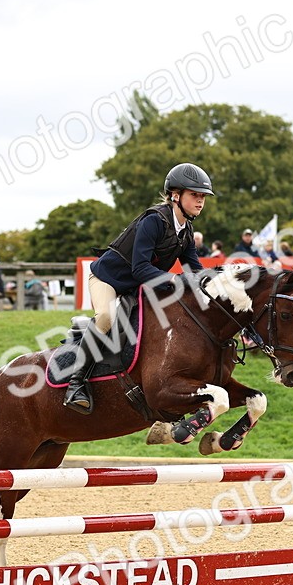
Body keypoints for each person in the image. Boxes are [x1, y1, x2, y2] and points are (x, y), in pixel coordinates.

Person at [66, 162, 212, 414]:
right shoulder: (154, 221)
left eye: (203, 197)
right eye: (194, 195)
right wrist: (175, 280)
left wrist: (216, 281)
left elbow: (194, 270)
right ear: (175, 196)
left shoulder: (186, 230)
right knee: (106, 317)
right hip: (107, 280)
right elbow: (141, 269)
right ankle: (75, 383)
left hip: (135, 288)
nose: (200, 202)